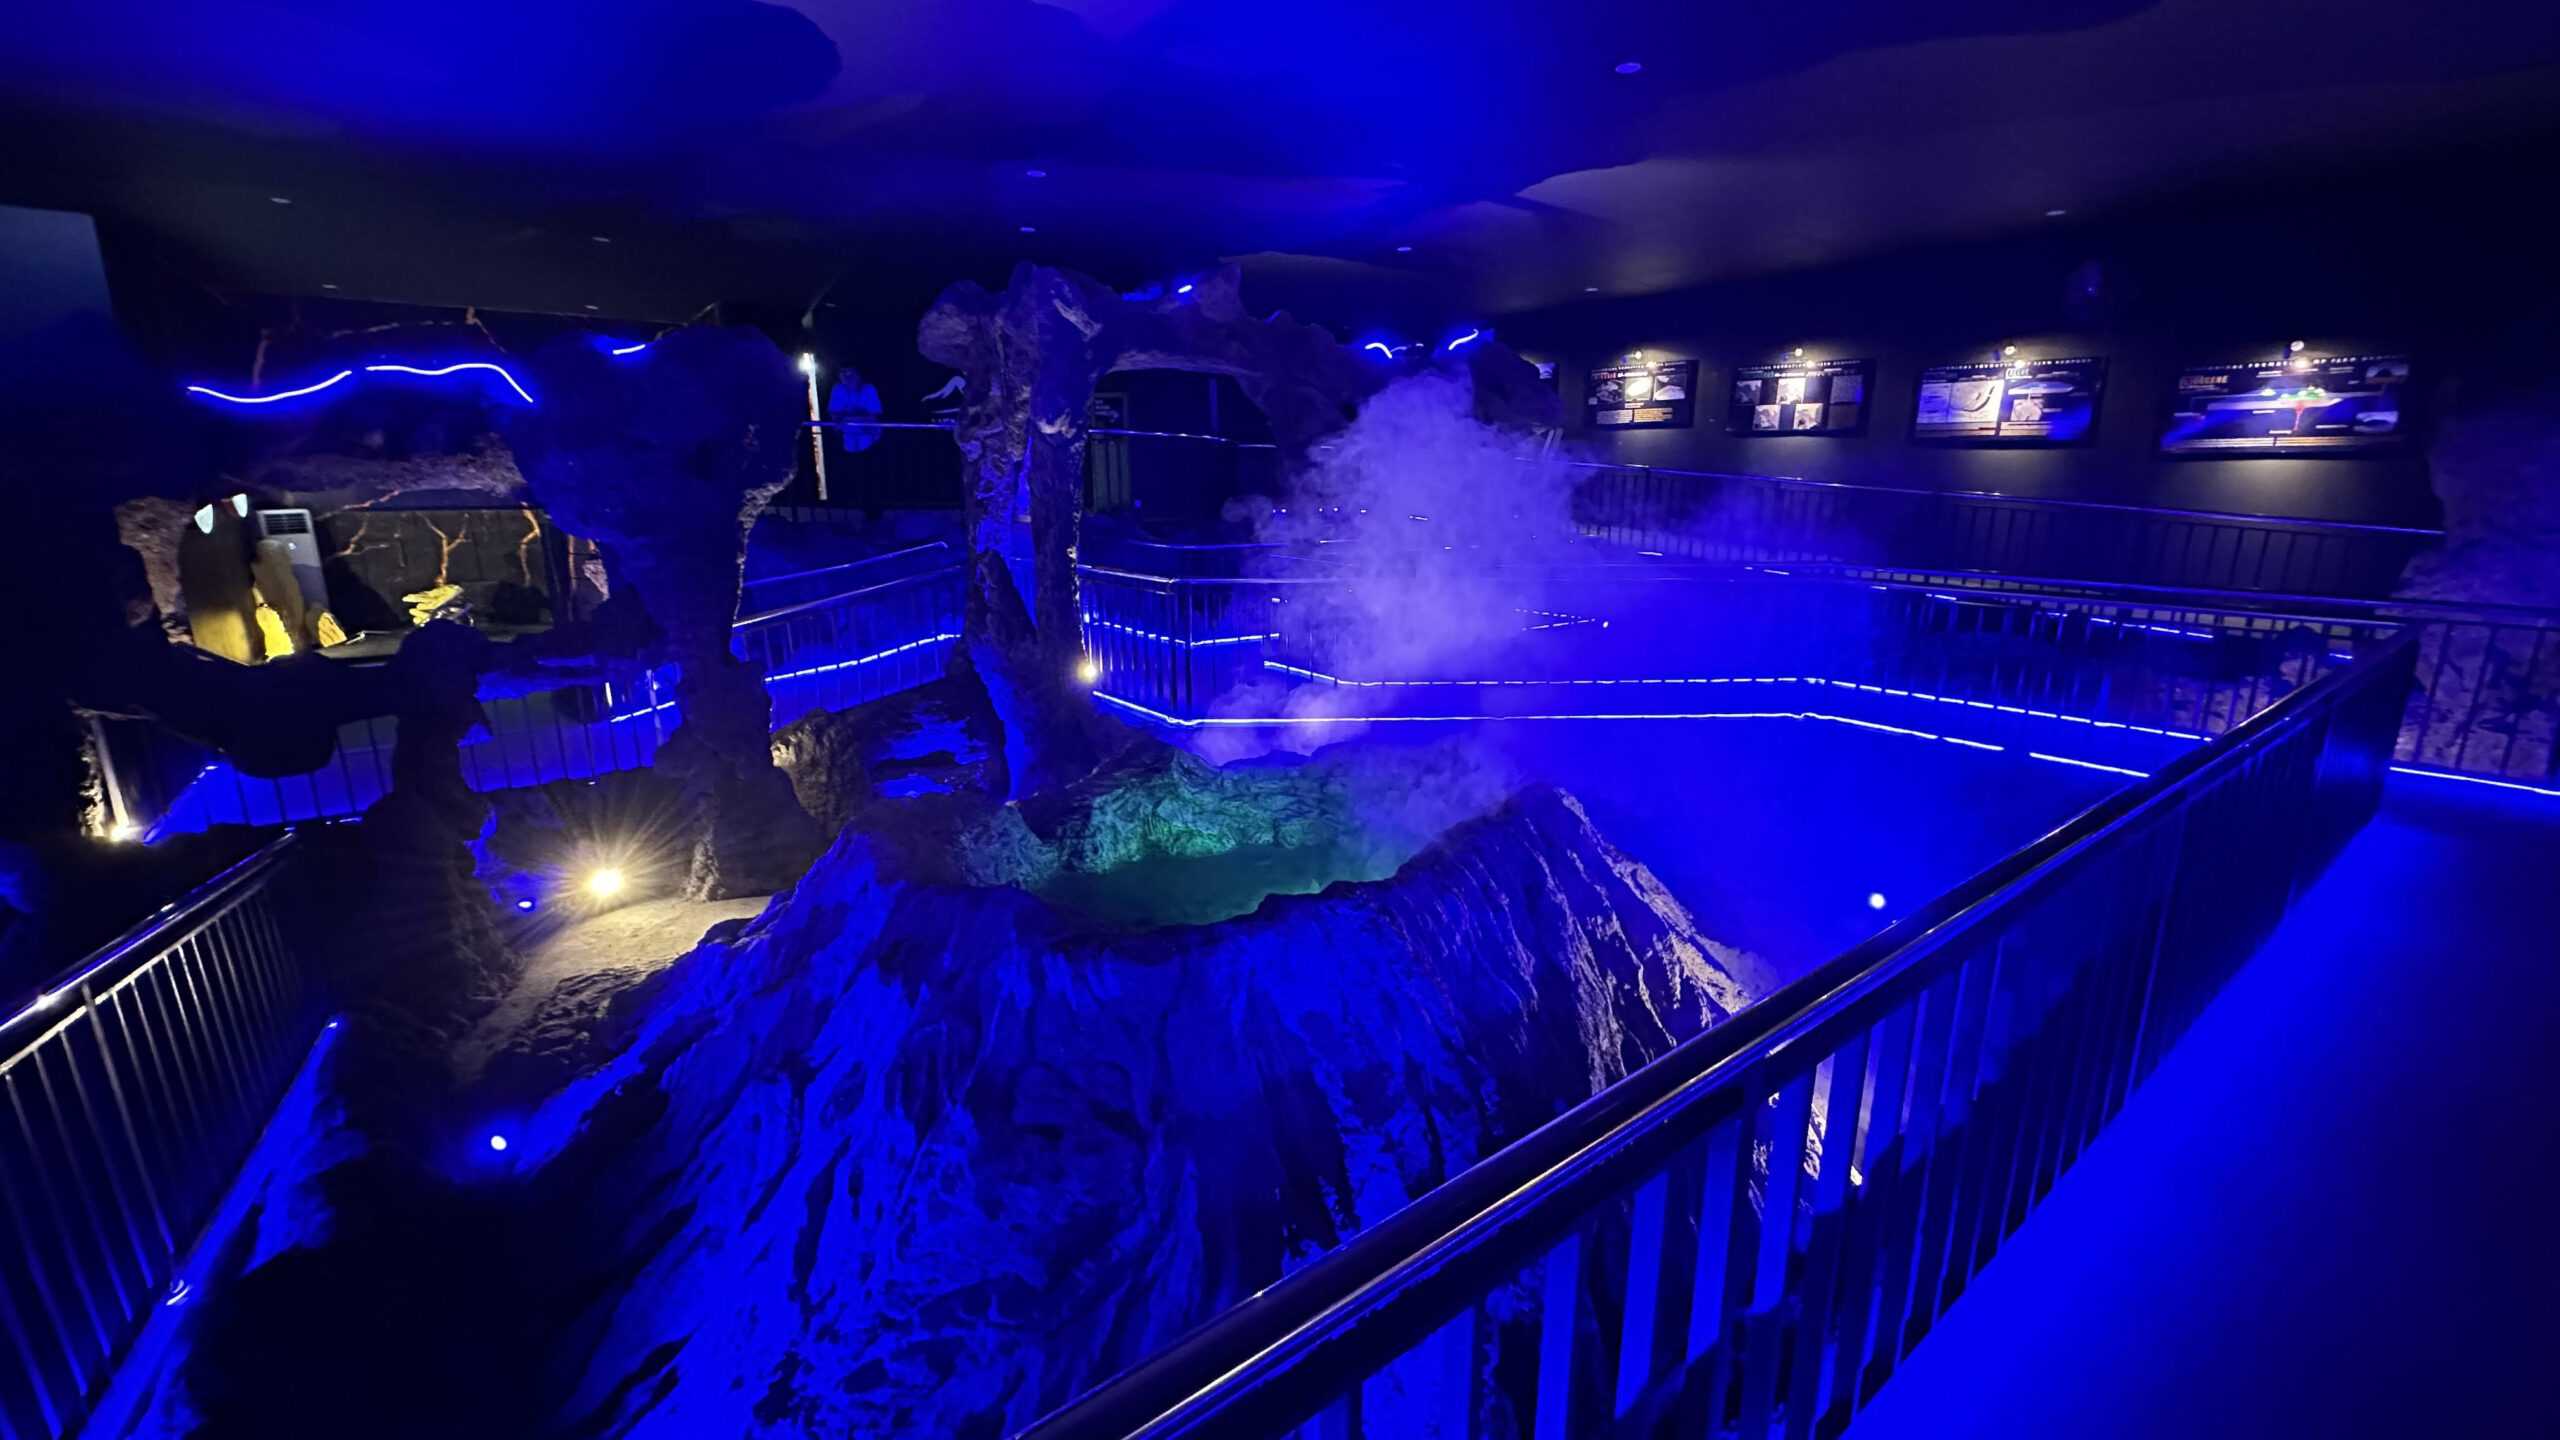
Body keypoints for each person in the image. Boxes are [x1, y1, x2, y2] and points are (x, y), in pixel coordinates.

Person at [827, 365, 882, 454]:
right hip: (848, 441)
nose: (848, 378)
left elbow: (873, 416)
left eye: (851, 374)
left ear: (859, 375)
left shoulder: (868, 389)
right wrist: (856, 416)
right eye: (844, 374)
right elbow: (834, 414)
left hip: (870, 439)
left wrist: (848, 418)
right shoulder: (838, 389)